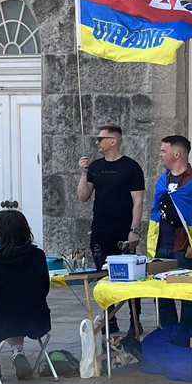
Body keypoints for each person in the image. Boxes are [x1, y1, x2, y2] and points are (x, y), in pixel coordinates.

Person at [0, 209, 51, 381]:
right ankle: (18, 353)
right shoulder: (37, 255)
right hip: (35, 318)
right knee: (15, 311)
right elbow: (44, 289)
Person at [77, 125, 145, 336]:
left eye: (100, 139)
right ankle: (110, 318)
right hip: (100, 228)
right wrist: (83, 173)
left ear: (113, 141)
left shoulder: (131, 167)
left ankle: (135, 320)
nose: (97, 142)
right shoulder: (96, 166)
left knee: (129, 278)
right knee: (102, 276)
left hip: (123, 229)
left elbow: (138, 201)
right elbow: (83, 196)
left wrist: (134, 230)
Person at [146, 135, 192, 328]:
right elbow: (156, 210)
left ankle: (186, 334)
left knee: (188, 294)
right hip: (162, 246)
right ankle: (169, 334)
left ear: (176, 154)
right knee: (162, 294)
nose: (160, 155)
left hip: (185, 247)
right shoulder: (163, 179)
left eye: (163, 151)